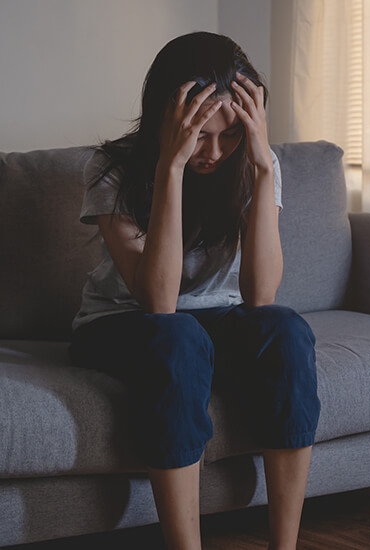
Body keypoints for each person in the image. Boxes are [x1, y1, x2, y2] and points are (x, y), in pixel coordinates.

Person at [69, 32, 321, 550]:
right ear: (169, 116)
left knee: (287, 329)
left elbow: (260, 295)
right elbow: (158, 304)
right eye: (201, 135)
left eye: (229, 137)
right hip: (120, 324)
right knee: (178, 336)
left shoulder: (253, 164)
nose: (213, 152)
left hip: (212, 321)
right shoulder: (111, 170)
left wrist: (263, 170)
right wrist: (172, 166)